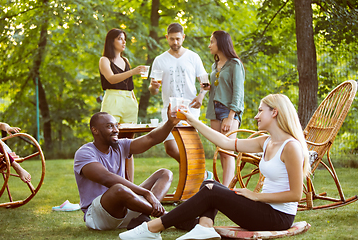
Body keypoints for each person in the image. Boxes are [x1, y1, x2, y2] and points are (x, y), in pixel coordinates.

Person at [119, 94, 310, 240]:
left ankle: (153, 229)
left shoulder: (291, 146)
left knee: (211, 191)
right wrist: (191, 120)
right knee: (209, 183)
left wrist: (256, 196)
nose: (257, 116)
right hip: (263, 208)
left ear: (274, 112)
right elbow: (224, 143)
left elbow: (296, 195)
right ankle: (204, 226)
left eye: (261, 111)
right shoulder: (266, 142)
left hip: (278, 217)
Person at [74, 106, 180, 231]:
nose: (116, 130)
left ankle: (142, 217)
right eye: (109, 126)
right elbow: (107, 178)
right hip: (100, 216)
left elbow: (151, 138)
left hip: (126, 208)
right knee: (119, 188)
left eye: (116, 126)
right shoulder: (84, 153)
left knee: (164, 173)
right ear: (95, 130)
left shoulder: (120, 145)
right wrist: (146, 193)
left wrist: (170, 123)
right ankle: (170, 218)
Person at [148, 23, 208, 163]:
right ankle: (200, 171)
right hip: (169, 111)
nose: (175, 42)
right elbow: (154, 91)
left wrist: (201, 96)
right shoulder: (159, 60)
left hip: (190, 110)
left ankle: (193, 176)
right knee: (171, 148)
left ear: (183, 37)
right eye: (172, 39)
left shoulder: (193, 57)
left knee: (189, 148)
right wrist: (153, 87)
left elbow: (205, 83)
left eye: (178, 39)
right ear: (166, 37)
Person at [99, 28, 146, 182]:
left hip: (129, 101)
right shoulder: (104, 60)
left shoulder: (125, 61)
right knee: (109, 141)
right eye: (120, 38)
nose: (124, 41)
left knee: (128, 145)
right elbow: (111, 79)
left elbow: (128, 83)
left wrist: (133, 100)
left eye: (124, 38)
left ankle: (130, 184)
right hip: (113, 99)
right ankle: (110, 181)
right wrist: (133, 71)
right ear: (111, 41)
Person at [205, 30, 245, 187]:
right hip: (214, 111)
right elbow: (220, 86)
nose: (209, 45)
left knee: (228, 152)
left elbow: (238, 92)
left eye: (212, 42)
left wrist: (231, 116)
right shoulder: (215, 65)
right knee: (220, 152)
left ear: (221, 43)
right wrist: (208, 87)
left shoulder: (235, 64)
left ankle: (227, 190)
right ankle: (225, 187)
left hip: (228, 111)